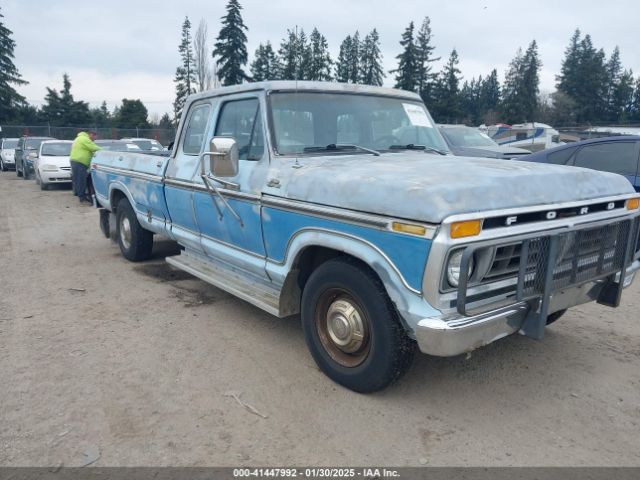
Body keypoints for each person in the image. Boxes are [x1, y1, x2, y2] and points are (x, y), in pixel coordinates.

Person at [69, 130, 101, 203]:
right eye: (94, 138)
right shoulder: (84, 139)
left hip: (76, 161)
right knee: (81, 180)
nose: (94, 140)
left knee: (78, 180)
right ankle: (82, 198)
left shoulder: (79, 138)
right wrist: (106, 151)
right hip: (80, 161)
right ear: (91, 134)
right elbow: (94, 148)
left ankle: (80, 195)